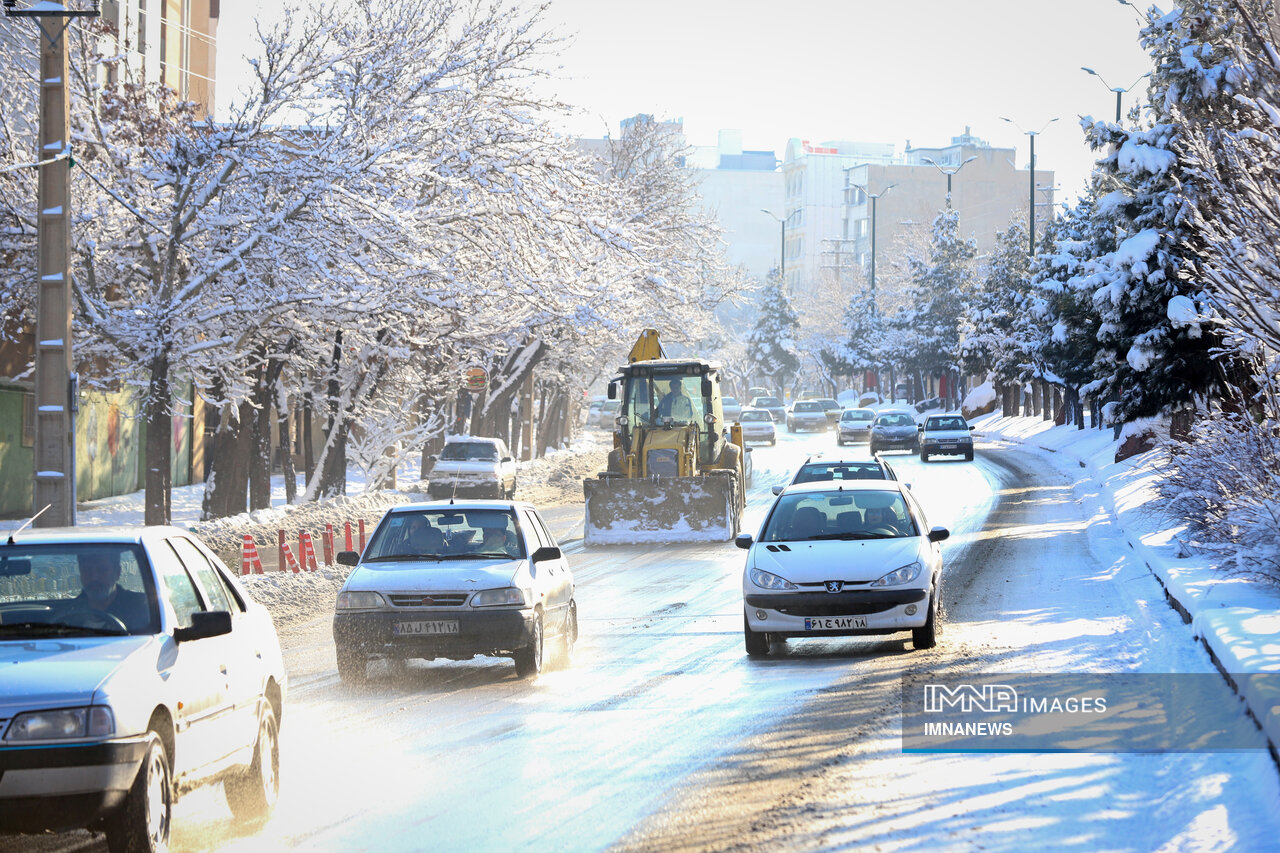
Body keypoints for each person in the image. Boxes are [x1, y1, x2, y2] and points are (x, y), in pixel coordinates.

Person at [66, 552, 151, 632]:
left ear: (117, 572)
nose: (94, 577)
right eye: (87, 570)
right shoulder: (68, 614)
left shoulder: (142, 610)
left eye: (102, 569)